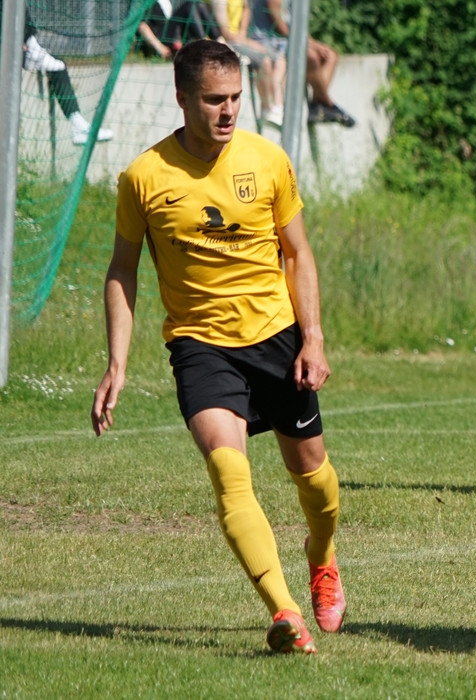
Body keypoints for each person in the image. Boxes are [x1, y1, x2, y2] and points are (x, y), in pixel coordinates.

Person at [90, 39, 345, 654]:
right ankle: (285, 612)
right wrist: (116, 362)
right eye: (213, 100)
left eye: (235, 97)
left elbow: (297, 253)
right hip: (200, 345)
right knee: (230, 473)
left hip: (276, 337)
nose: (228, 110)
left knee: (314, 480)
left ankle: (322, 555)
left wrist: (312, 338)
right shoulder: (144, 177)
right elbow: (123, 269)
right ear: (182, 99)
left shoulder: (268, 160)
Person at [1, 1, 113, 146]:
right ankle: (77, 124)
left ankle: (77, 124)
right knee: (57, 66)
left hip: (24, 41)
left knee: (57, 66)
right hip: (17, 42)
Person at [249, 0, 356, 126]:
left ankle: (318, 103)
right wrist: (312, 46)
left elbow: (298, 29)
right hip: (270, 40)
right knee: (312, 57)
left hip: (286, 40)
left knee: (331, 56)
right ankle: (328, 104)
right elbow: (280, 26)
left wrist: (315, 45)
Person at [209, 0, 285, 128]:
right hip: (226, 42)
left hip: (241, 39)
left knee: (280, 59)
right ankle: (266, 108)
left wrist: (243, 34)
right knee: (265, 61)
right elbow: (226, 33)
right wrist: (244, 40)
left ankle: (277, 107)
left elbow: (246, 10)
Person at [136, 0, 219, 60]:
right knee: (189, 5)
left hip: (177, 34)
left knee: (198, 4)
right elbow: (142, 25)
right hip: (162, 38)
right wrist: (160, 48)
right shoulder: (146, 3)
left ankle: (219, 42)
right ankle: (204, 45)